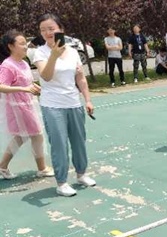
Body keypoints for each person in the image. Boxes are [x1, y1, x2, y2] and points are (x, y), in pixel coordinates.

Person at [33, 13, 96, 196]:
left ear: (61, 30)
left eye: (51, 29)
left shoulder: (73, 51)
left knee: (79, 141)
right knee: (59, 144)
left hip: (73, 103)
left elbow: (80, 77)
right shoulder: (40, 52)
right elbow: (45, 75)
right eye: (43, 30)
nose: (47, 33)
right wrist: (53, 55)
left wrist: (88, 100)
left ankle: (81, 174)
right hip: (52, 105)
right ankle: (61, 183)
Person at [0, 30, 53, 180]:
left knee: (21, 137)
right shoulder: (7, 65)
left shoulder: (23, 63)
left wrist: (33, 87)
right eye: (21, 44)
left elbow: (26, 82)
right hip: (18, 107)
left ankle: (2, 166)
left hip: (28, 104)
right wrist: (24, 89)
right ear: (11, 46)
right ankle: (42, 168)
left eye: (26, 43)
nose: (25, 46)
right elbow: (1, 86)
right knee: (37, 135)